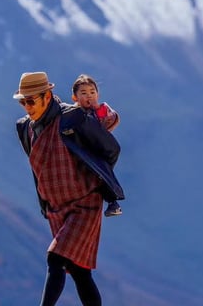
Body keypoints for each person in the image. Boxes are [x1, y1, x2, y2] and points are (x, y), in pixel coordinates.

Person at [14, 71, 123, 306]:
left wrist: (96, 179)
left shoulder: (72, 118)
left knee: (55, 258)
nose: (27, 107)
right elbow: (38, 168)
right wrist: (44, 204)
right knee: (79, 270)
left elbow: (110, 149)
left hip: (85, 205)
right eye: (23, 101)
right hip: (56, 209)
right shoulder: (25, 128)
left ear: (47, 96)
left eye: (31, 100)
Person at [71, 74, 123, 217]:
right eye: (84, 93)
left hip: (98, 151)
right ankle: (112, 200)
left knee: (101, 171)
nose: (89, 96)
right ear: (74, 98)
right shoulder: (74, 114)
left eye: (92, 92)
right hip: (84, 151)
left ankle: (112, 201)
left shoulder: (100, 111)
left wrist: (105, 116)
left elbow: (111, 121)